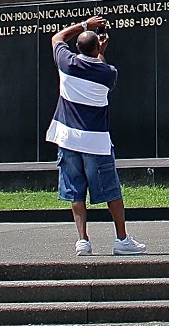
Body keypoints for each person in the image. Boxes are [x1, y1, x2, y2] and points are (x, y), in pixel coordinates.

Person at [45, 16, 146, 256]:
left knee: (75, 191)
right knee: (111, 190)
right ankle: (121, 239)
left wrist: (85, 25)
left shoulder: (67, 63)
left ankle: (83, 241)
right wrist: (101, 51)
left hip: (67, 138)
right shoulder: (108, 72)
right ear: (98, 47)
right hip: (96, 142)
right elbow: (100, 67)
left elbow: (57, 37)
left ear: (77, 48)